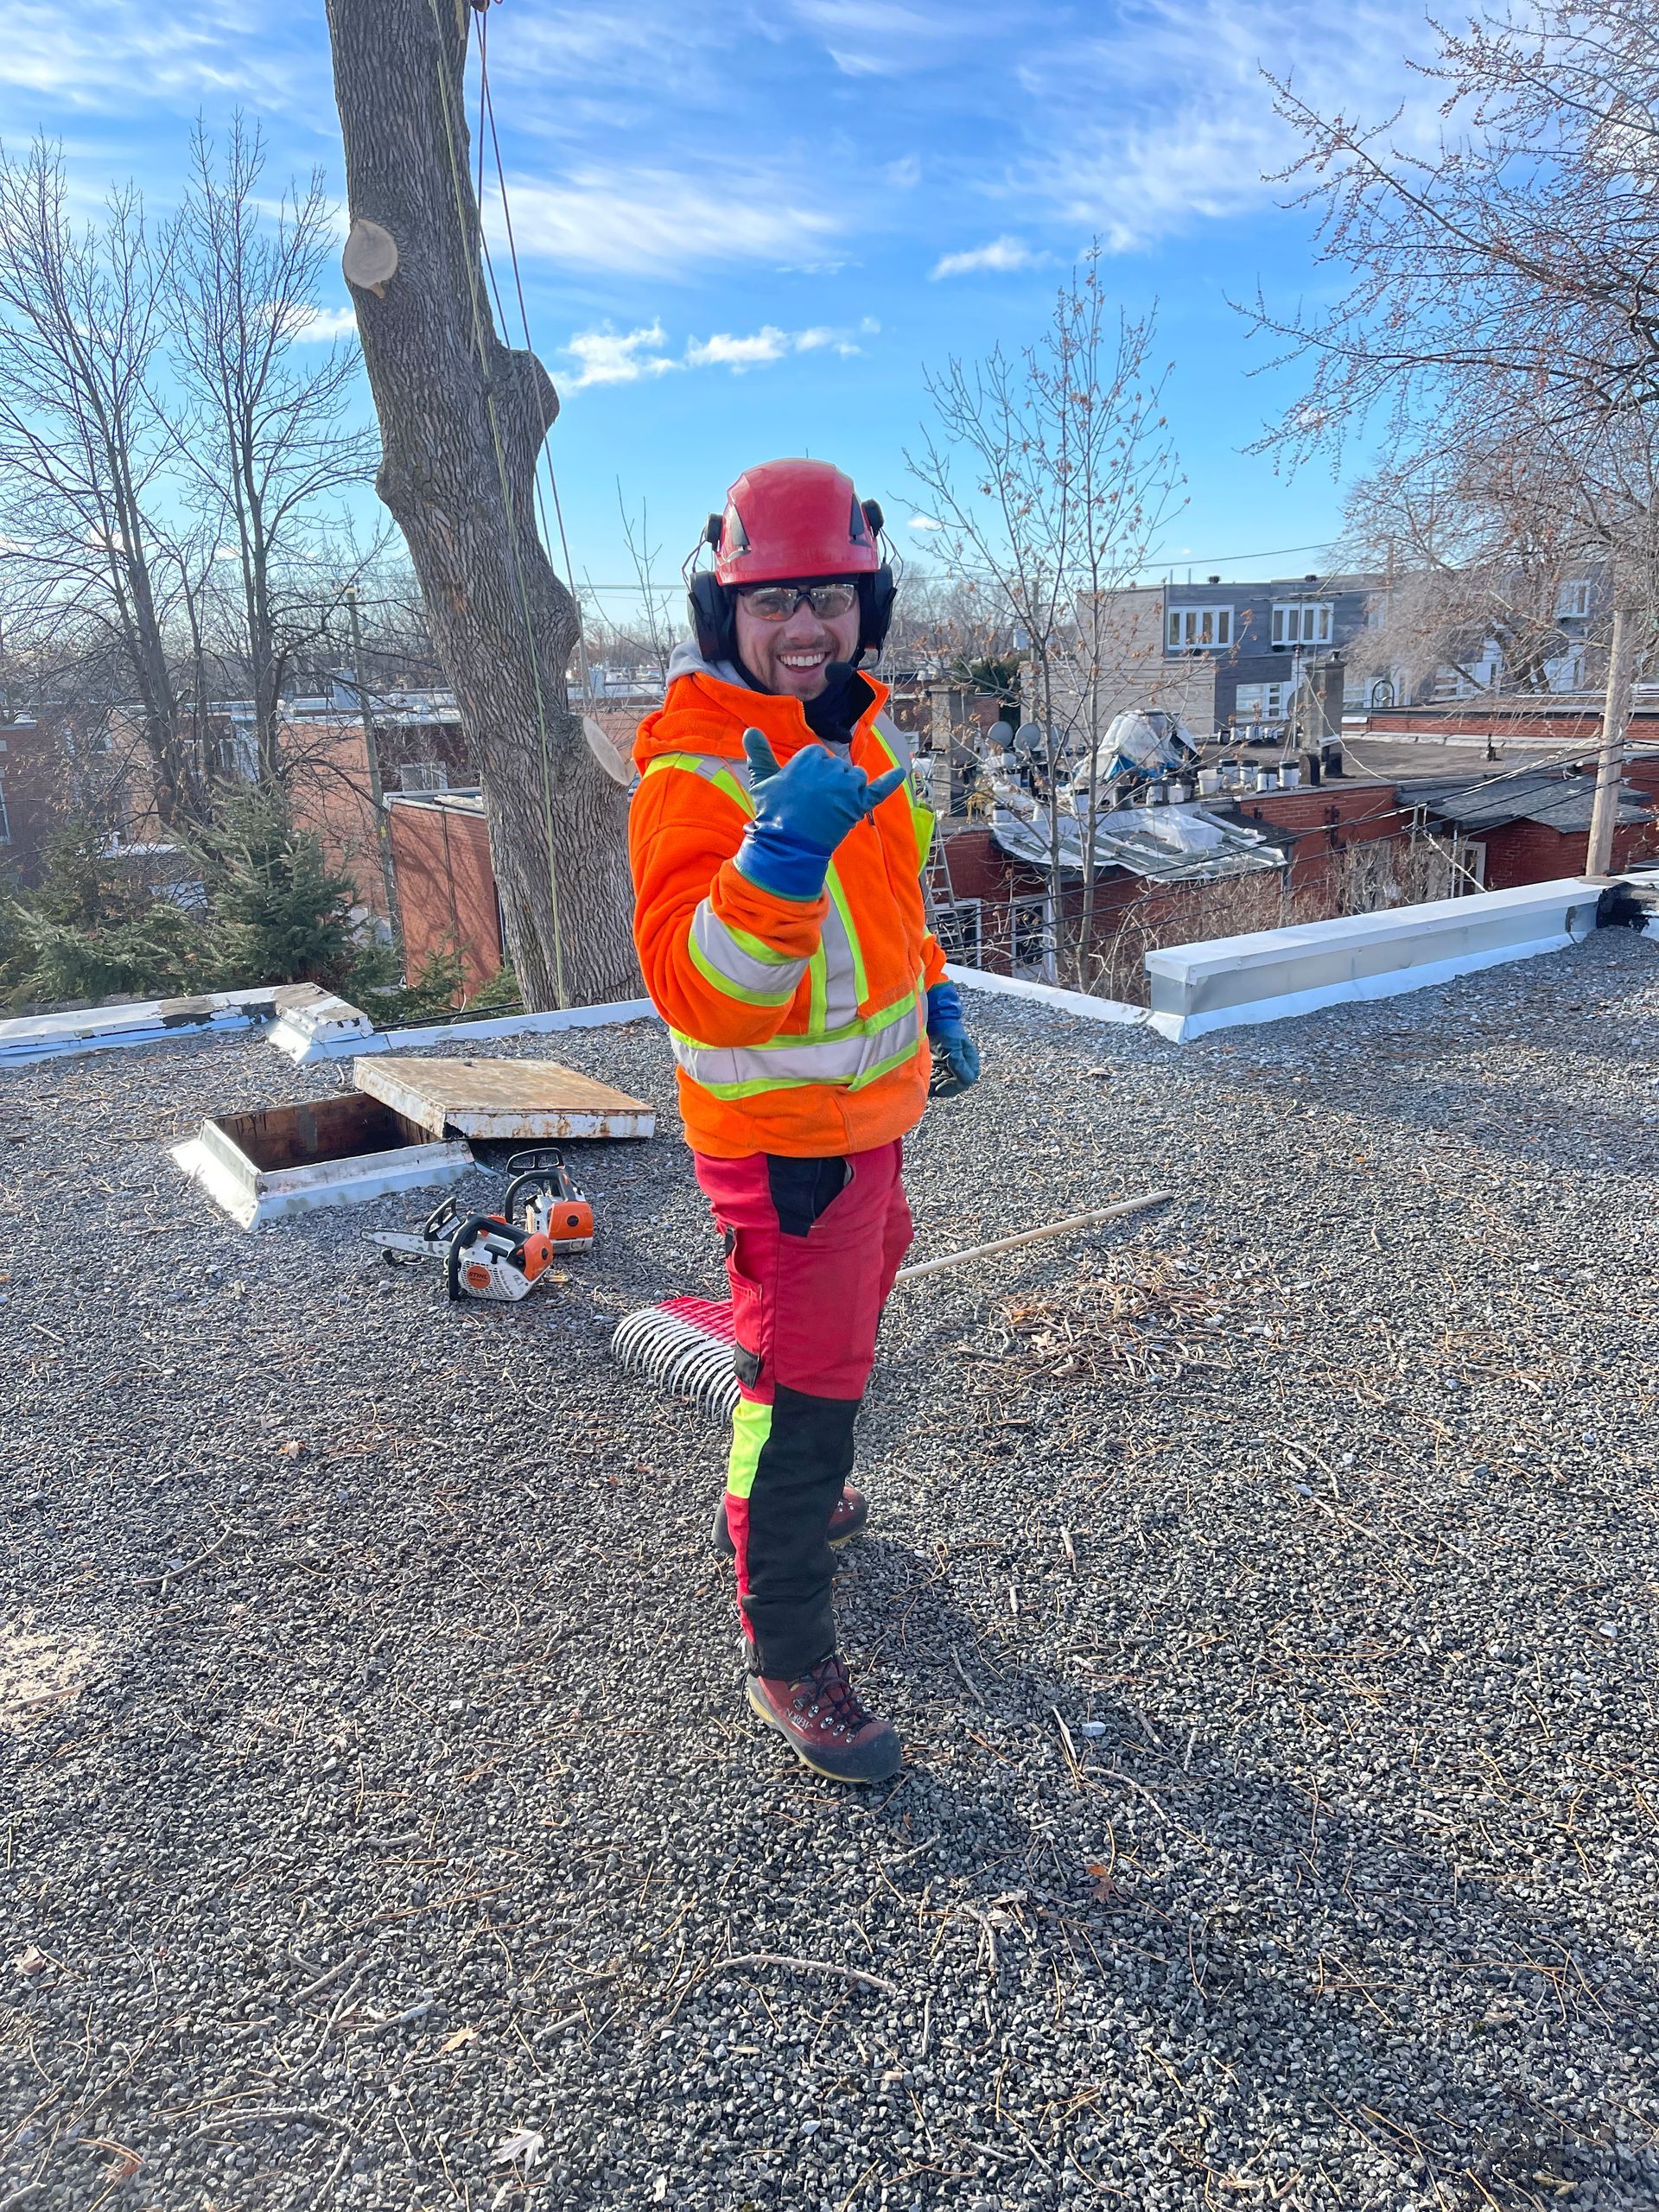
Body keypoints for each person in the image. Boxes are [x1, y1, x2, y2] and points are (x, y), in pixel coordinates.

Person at [628, 458, 980, 1784]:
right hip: (787, 1145)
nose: (806, 627)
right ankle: (785, 1653)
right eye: (773, 601)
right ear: (725, 614)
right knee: (805, 1391)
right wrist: (776, 857)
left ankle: (800, 1483)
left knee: (855, 1299)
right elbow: (704, 994)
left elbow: (886, 904)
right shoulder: (697, 780)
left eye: (830, 596)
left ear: (866, 605)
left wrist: (932, 991)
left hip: (862, 1125)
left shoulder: (854, 732)